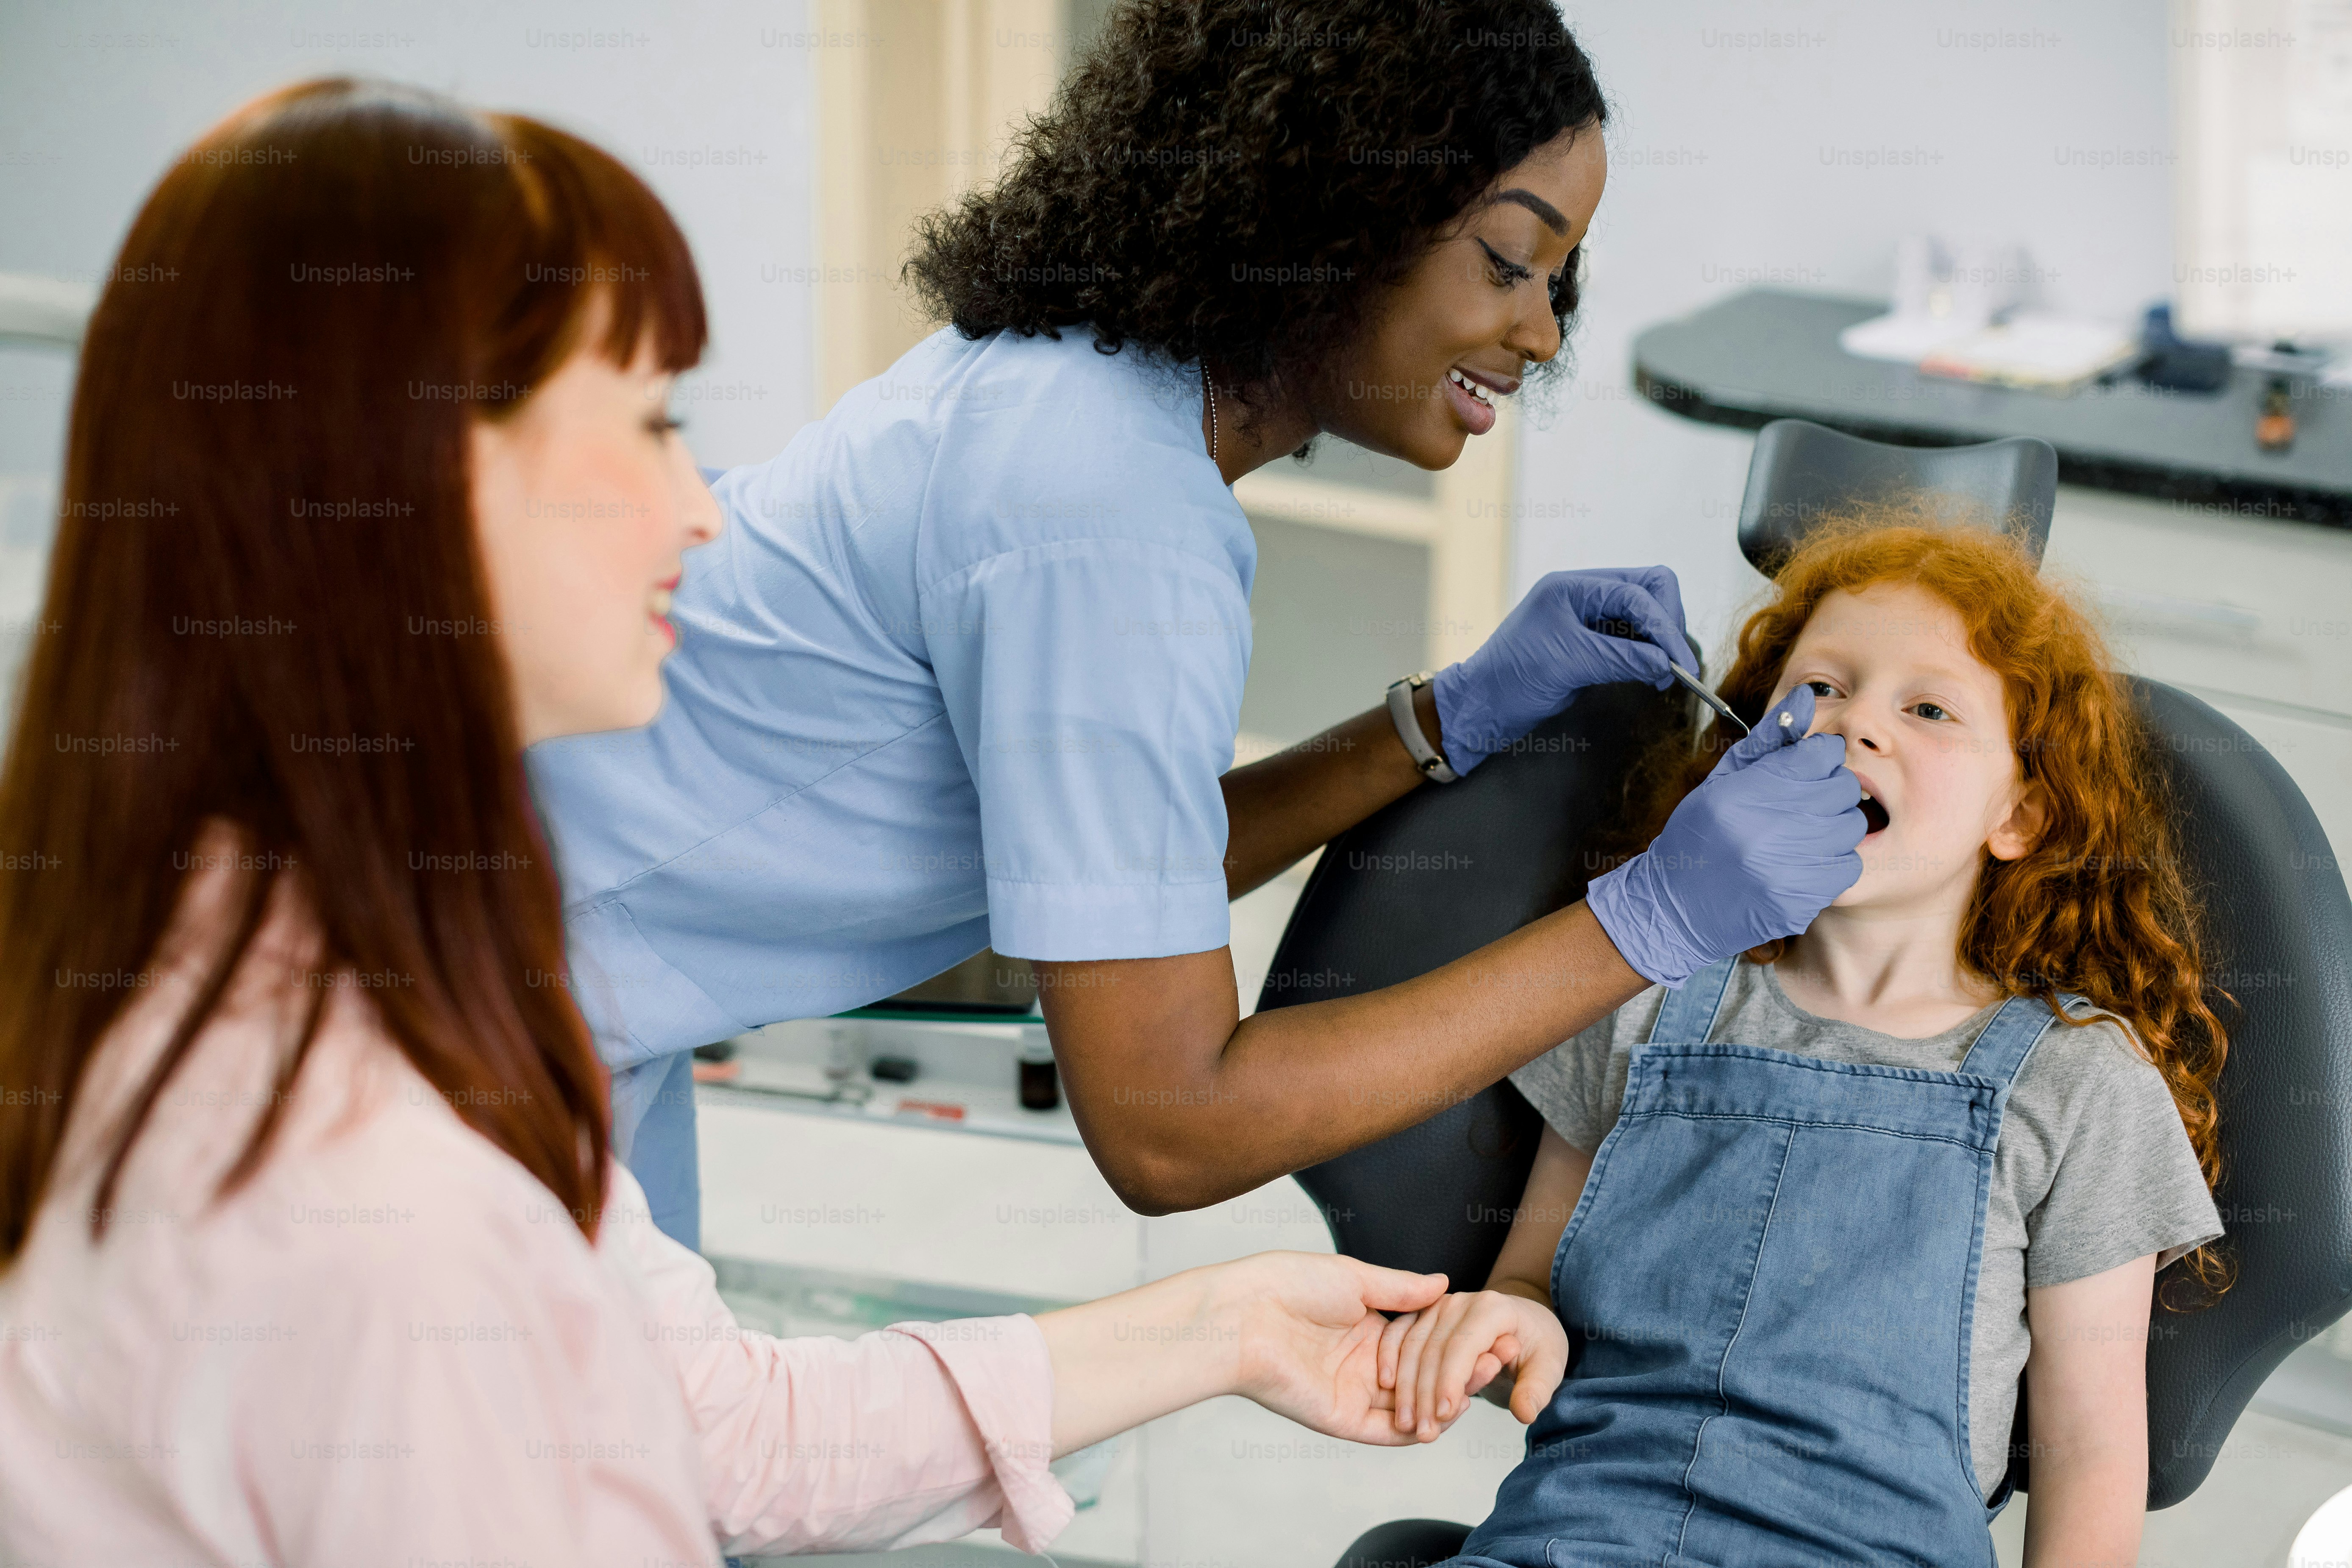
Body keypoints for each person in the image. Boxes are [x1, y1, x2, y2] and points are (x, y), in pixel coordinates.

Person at [0, 80, 1495, 1565]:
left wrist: (1227, 1322)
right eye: (649, 424)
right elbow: (1163, 1100)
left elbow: (721, 1437)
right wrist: (1609, 927)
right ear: (412, 477)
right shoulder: (393, 1197)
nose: (704, 509)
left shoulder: (265, 963)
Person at [524, 0, 1869, 1245]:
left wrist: (1436, 719)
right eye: (1510, 262)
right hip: (490, 1011)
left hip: (557, 988)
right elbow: (1167, 1127)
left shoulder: (1074, 388)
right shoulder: (1109, 516)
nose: (1540, 334)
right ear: (1338, 207)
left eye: (1556, 283)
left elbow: (1118, 876)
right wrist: (1644, 925)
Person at [1355, 522, 2230, 1568]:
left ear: (2021, 817)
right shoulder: (1637, 991)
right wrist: (1513, 1328)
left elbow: (2090, 1457)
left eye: (1928, 708)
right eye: (1821, 688)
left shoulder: (2081, 1083)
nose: (1855, 724)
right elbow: (1526, 1288)